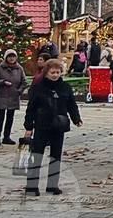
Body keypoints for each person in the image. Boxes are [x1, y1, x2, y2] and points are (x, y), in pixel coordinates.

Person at [23, 60, 82, 196]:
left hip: (59, 125)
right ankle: (31, 186)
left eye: (58, 72)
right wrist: (28, 126)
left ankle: (52, 185)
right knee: (36, 155)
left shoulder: (65, 87)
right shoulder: (39, 88)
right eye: (52, 73)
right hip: (42, 125)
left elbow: (71, 105)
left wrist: (76, 119)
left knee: (56, 156)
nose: (55, 75)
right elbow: (31, 108)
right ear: (46, 73)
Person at [0, 49, 27, 146]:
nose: (12, 58)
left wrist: (19, 91)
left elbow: (24, 81)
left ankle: (7, 136)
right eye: (10, 56)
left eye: (13, 56)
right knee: (0, 117)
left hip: (13, 96)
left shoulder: (19, 69)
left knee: (10, 117)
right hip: (2, 95)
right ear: (6, 57)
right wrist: (2, 82)